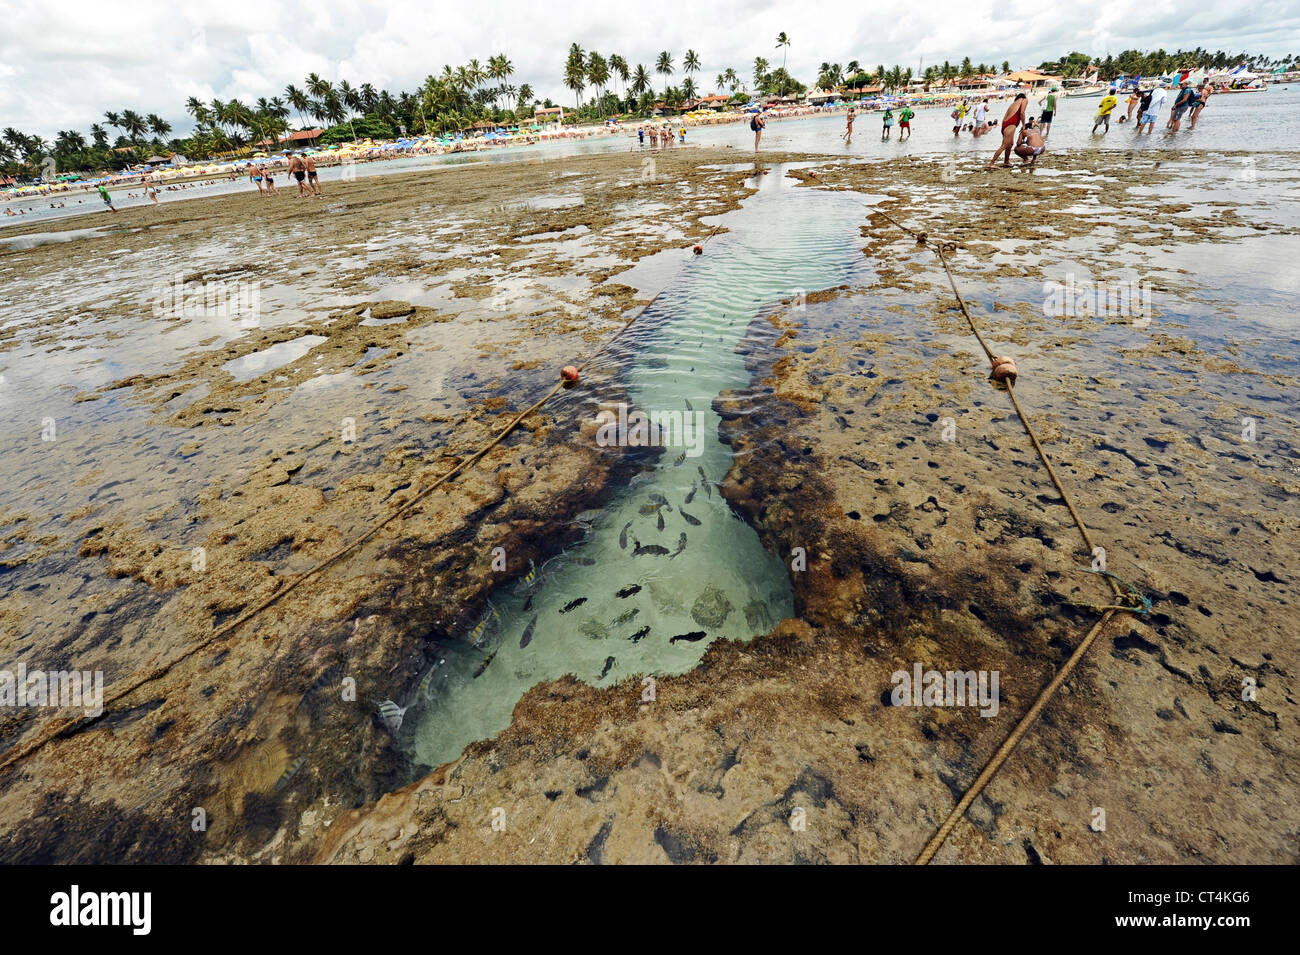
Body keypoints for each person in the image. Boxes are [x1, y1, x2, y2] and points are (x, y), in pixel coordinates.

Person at [987, 93, 1028, 168]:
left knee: (1010, 144)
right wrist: (1024, 125)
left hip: (1005, 124)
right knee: (1004, 145)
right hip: (1011, 123)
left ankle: (1006, 161)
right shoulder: (1024, 99)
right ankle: (991, 163)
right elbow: (1022, 112)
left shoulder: (1014, 103)